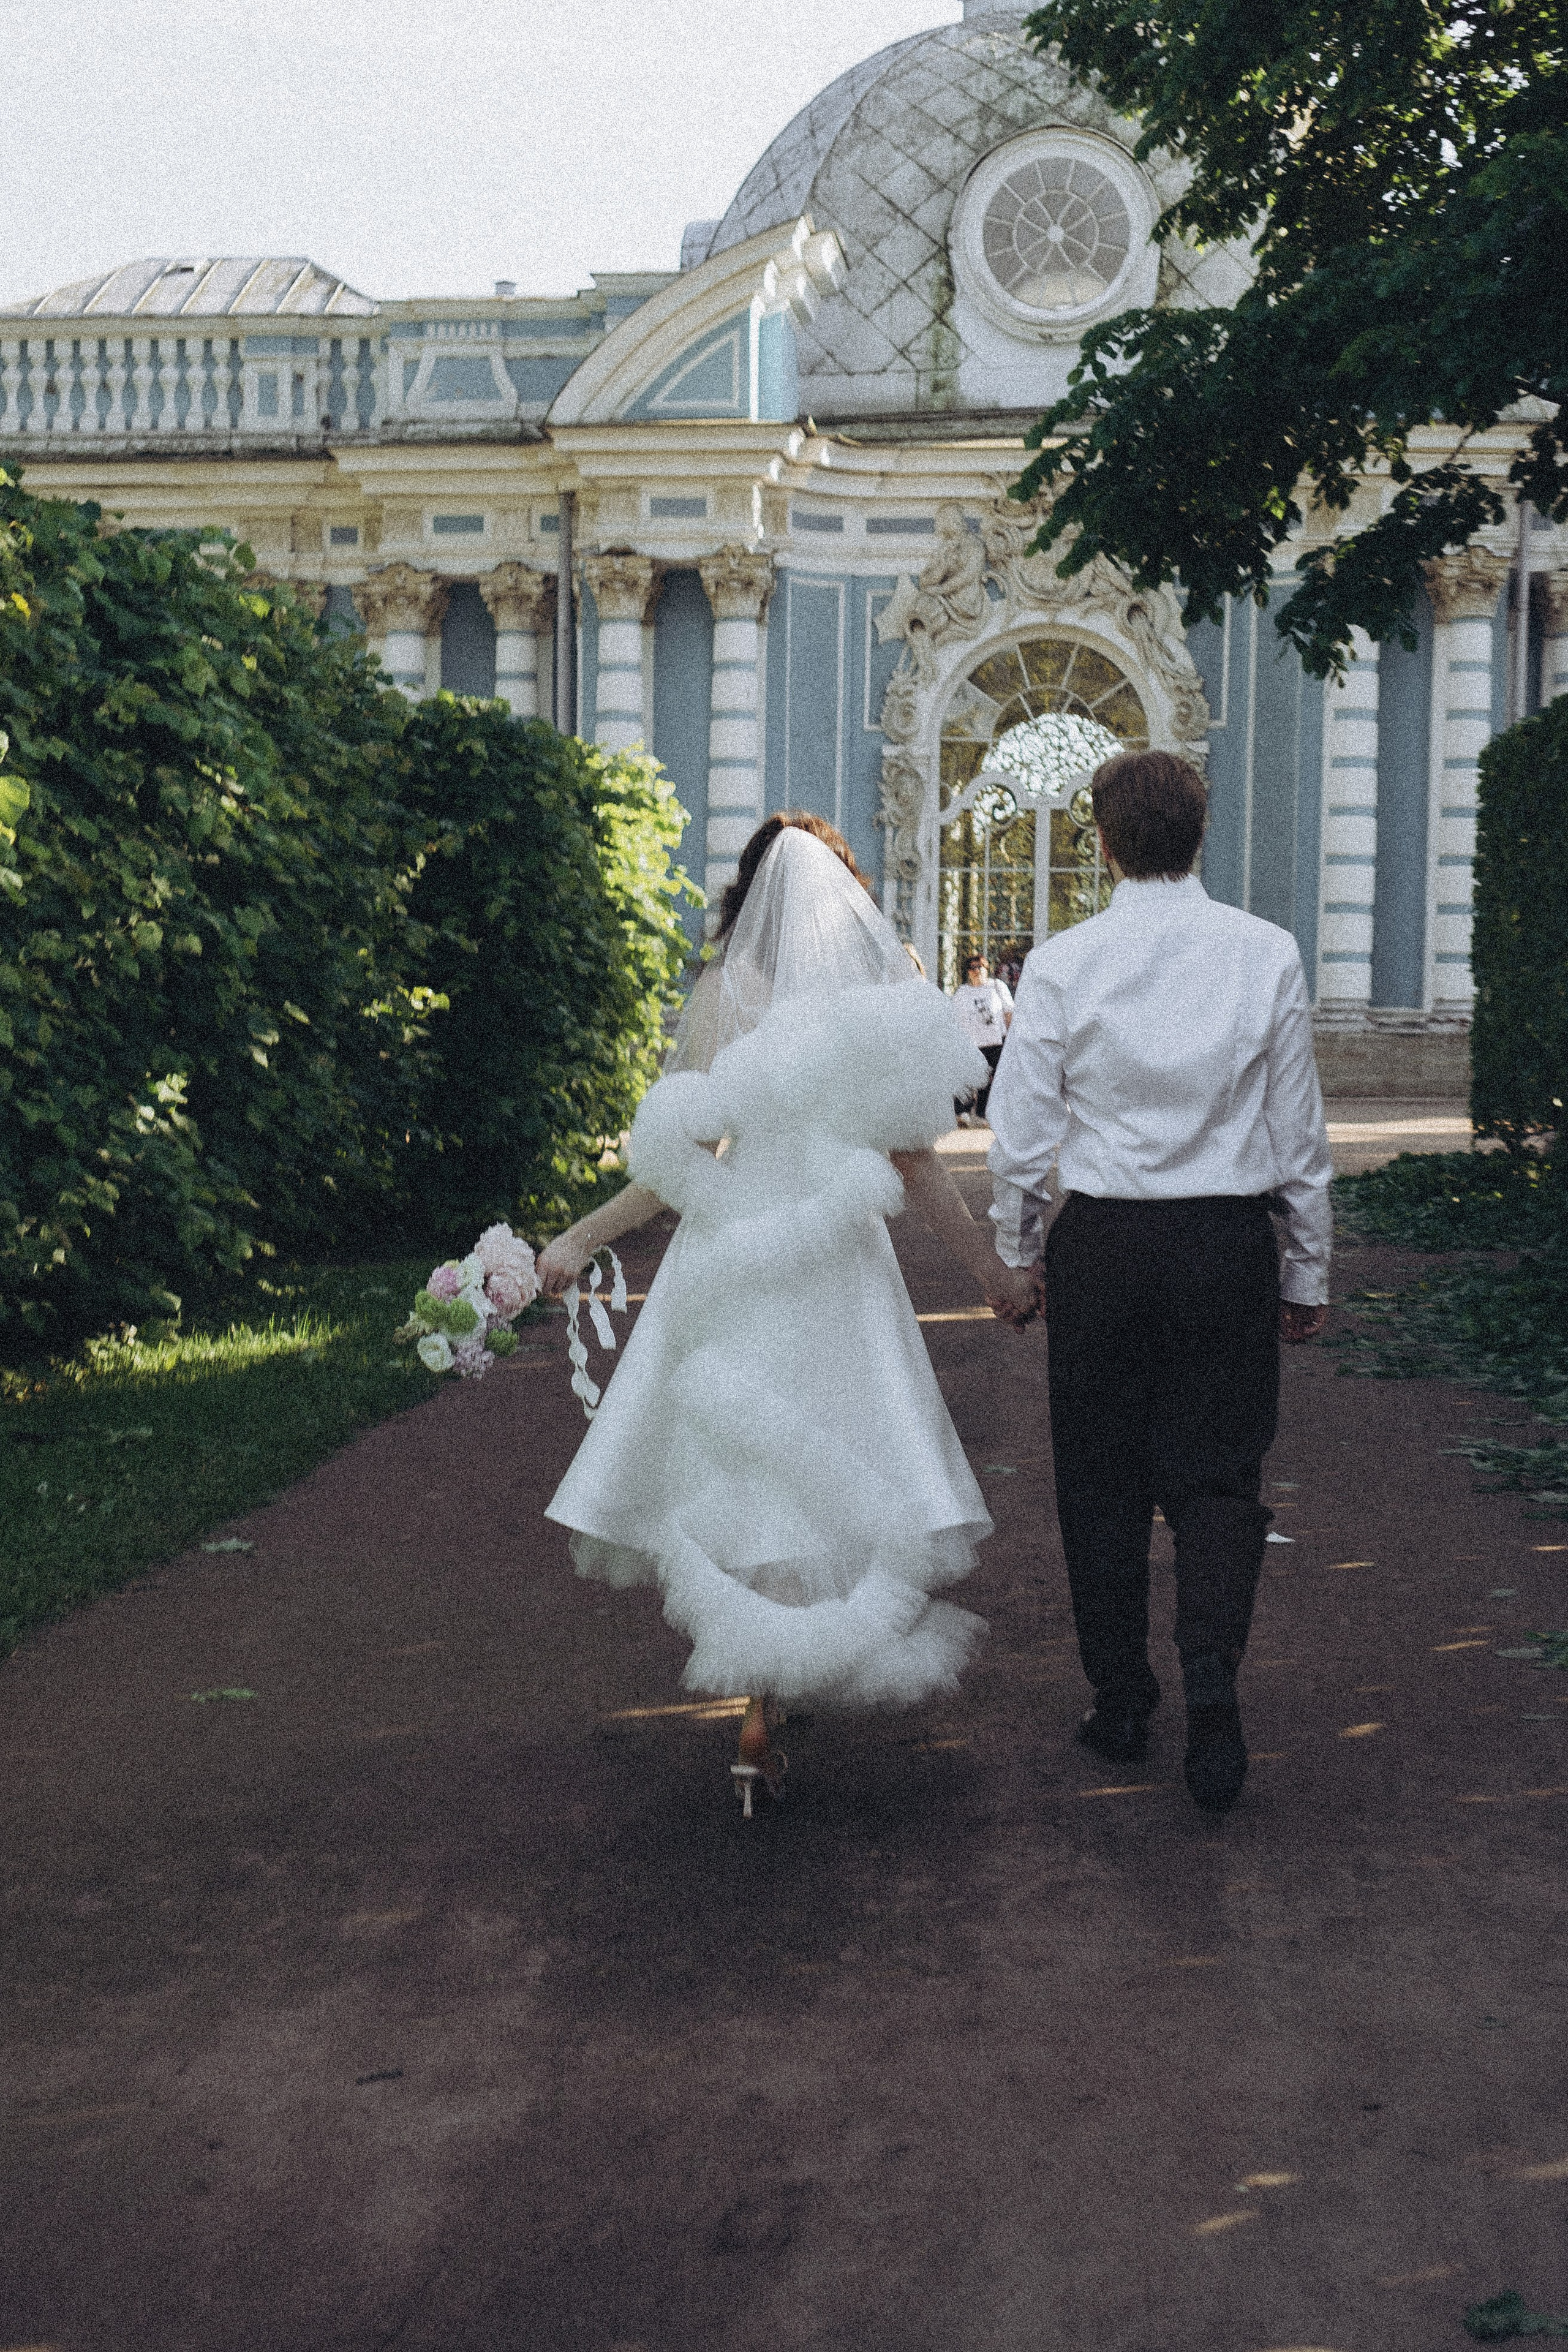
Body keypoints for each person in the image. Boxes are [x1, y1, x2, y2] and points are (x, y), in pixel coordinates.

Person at [537, 811, 1038, 1808]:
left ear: (747, 892)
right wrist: (991, 1271)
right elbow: (913, 1164)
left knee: (749, 1461)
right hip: (836, 1262)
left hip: (730, 1254)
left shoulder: (724, 994)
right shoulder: (873, 1003)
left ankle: (760, 1696)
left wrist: (580, 1238)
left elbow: (677, 1156)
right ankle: (772, 1689)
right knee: (823, 1455)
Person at [986, 750, 1332, 1814]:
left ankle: (1124, 1702)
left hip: (1104, 1248)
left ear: (1100, 843)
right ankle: (1212, 1678)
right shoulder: (1266, 953)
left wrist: (1018, 1253)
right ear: (1201, 833)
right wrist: (1307, 1267)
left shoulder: (1063, 963)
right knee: (1220, 1473)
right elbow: (1297, 1133)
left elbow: (1020, 1134)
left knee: (1100, 1478)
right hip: (1225, 1244)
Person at [951, 952, 1014, 1126]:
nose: (976, 971)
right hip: (971, 1044)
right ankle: (962, 1112)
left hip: (995, 1042)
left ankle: (981, 1113)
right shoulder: (962, 992)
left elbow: (1009, 1013)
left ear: (987, 968)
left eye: (979, 967)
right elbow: (954, 1018)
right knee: (967, 1078)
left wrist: (1012, 1038)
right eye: (972, 968)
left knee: (989, 1080)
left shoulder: (997, 987)